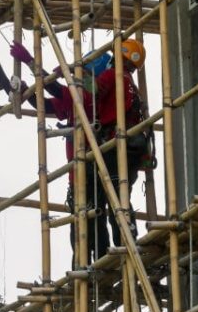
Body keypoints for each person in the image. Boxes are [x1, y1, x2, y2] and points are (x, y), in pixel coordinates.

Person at [12, 38, 155, 262]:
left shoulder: (105, 85)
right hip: (114, 157)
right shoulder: (121, 85)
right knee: (108, 206)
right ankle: (115, 254)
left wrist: (32, 62)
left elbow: (62, 91)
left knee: (96, 211)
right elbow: (52, 102)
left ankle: (104, 258)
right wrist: (30, 92)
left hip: (107, 156)